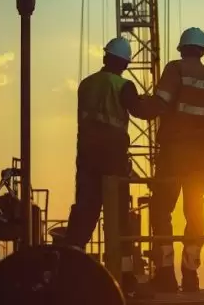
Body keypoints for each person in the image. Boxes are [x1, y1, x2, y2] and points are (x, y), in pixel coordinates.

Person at [64, 36, 156, 298]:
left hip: (86, 160)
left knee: (83, 214)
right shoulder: (123, 85)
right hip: (112, 161)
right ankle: (124, 277)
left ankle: (70, 272)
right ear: (125, 63)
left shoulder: (86, 84)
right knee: (118, 221)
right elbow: (140, 111)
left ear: (106, 57)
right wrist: (159, 103)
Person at [147, 28, 204, 293]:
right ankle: (191, 275)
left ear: (182, 48)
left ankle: (166, 274)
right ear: (202, 50)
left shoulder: (175, 69)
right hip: (200, 157)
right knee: (195, 211)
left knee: (161, 209)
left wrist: (134, 105)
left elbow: (160, 102)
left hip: (174, 152)